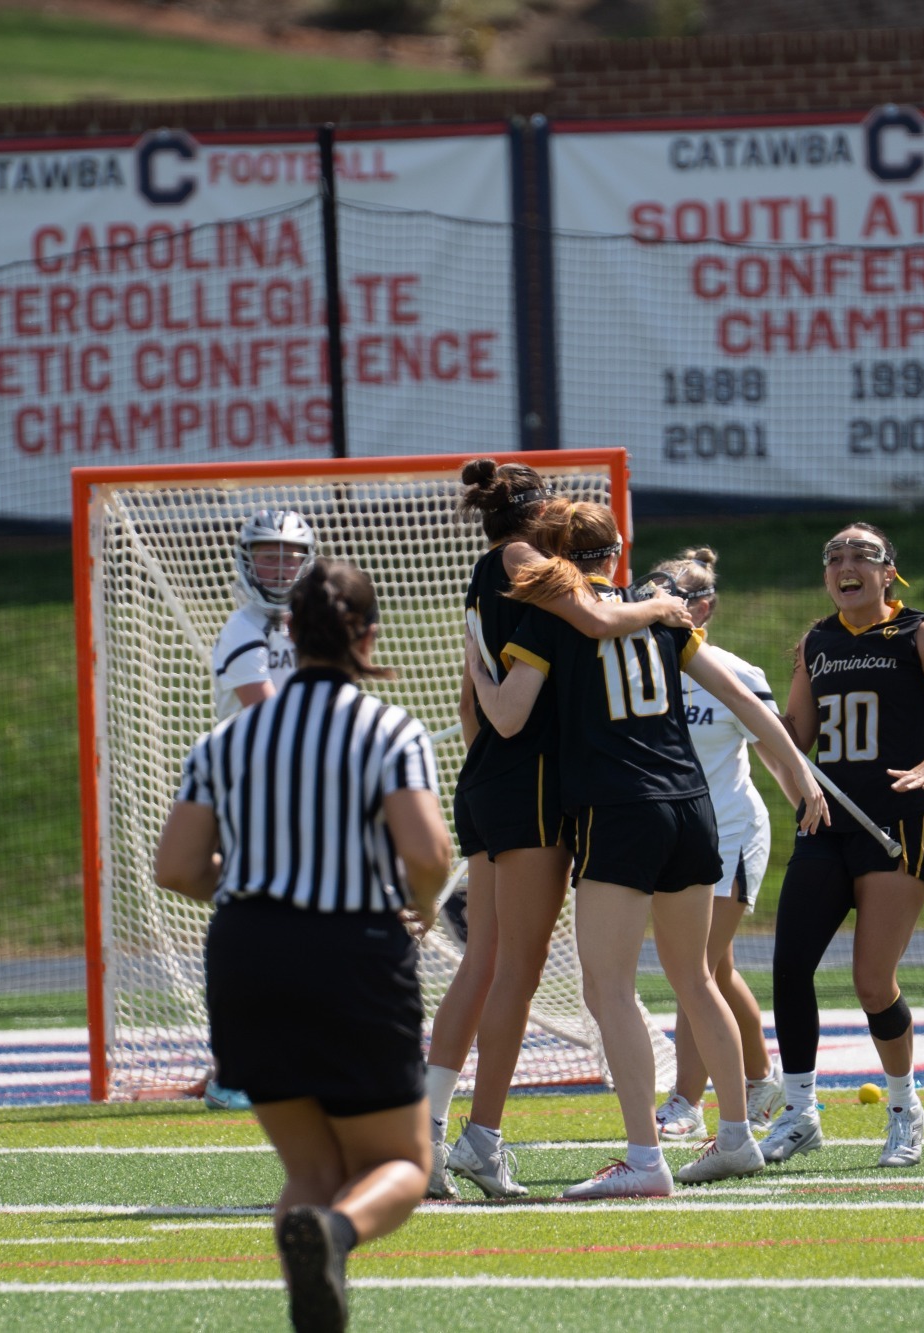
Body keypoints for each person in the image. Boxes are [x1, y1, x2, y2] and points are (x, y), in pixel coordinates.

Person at [466, 502, 828, 1199]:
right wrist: (798, 772)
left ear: (556, 558)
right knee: (696, 977)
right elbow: (746, 701)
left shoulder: (552, 619)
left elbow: (507, 719)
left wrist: (479, 669)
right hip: (692, 805)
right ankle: (735, 1136)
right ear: (617, 552)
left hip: (619, 808)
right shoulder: (665, 618)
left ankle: (643, 1156)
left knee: (608, 986)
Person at [154, 557, 448, 1333]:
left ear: (289, 630)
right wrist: (420, 908)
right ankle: (339, 1231)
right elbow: (428, 853)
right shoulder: (389, 729)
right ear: (369, 635)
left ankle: (316, 1285)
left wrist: (262, 886)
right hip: (354, 950)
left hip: (246, 955)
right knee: (402, 1164)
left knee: (312, 1170)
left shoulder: (225, 739)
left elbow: (176, 866)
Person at [427, 459, 690, 1201]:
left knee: (485, 962)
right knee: (515, 967)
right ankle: (477, 1137)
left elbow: (472, 703)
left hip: (488, 777)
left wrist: (489, 760)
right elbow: (601, 620)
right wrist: (660, 606)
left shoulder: (489, 568)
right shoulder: (527, 562)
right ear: (539, 514)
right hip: (531, 783)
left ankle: (434, 1129)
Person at [762, 523, 924, 1170]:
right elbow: (796, 737)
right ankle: (800, 1112)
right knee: (789, 967)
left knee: (871, 982)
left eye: (862, 555)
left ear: (889, 572)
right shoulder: (817, 642)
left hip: (898, 824)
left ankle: (903, 1107)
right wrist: (755, 724)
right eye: (834, 556)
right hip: (826, 825)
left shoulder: (920, 633)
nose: (846, 564)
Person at [641, 549, 790, 1145]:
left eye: (672, 596)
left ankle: (687, 1101)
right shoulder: (637, 668)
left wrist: (806, 800)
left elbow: (777, 752)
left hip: (730, 834)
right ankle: (762, 1081)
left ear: (702, 608)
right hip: (673, 837)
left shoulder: (736, 673)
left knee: (693, 968)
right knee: (716, 971)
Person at [198, 507, 317, 1111]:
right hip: (249, 795)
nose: (279, 567)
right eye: (268, 556)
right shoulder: (242, 629)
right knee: (252, 933)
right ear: (247, 562)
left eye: (290, 556)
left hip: (298, 796)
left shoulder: (313, 628)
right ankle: (230, 1070)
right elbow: (269, 714)